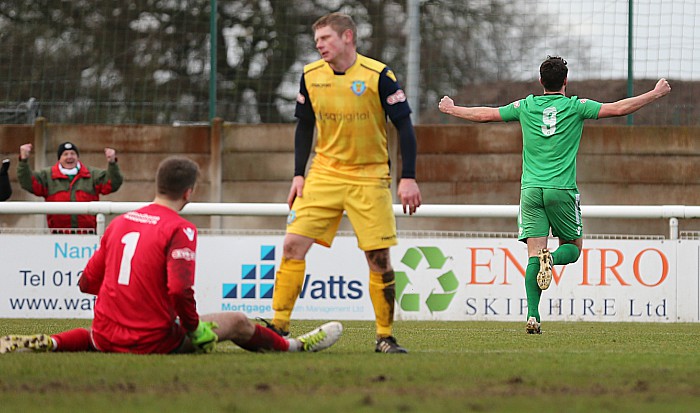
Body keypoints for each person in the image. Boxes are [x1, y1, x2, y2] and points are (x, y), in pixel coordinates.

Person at [0, 156, 342, 355]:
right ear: (189, 191)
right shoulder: (180, 228)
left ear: (157, 184)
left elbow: (87, 282)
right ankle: (295, 346)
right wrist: (194, 329)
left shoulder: (120, 223)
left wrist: (128, 298)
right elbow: (179, 291)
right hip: (152, 340)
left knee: (96, 334)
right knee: (237, 320)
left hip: (105, 335)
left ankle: (53, 342)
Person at [438, 56, 671, 334]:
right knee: (572, 249)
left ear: (540, 82)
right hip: (561, 189)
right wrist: (656, 93)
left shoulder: (525, 106)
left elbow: (485, 114)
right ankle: (553, 259)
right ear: (565, 81)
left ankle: (533, 315)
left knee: (532, 255)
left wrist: (452, 109)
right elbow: (619, 108)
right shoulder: (576, 107)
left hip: (530, 191)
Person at [268, 12, 421, 354]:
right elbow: (304, 126)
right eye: (317, 40)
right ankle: (278, 327)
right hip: (324, 173)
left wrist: (407, 177)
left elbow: (405, 128)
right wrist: (298, 174)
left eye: (325, 38)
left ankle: (384, 336)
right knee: (292, 245)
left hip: (369, 176)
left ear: (347, 37)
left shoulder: (379, 76)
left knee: (378, 257)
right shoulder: (310, 76)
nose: (319, 45)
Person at [17, 141, 123, 232]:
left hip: (88, 235)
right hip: (58, 236)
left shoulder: (92, 174)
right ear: (59, 158)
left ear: (77, 157)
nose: (69, 157)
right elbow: (28, 183)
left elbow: (112, 184)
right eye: (65, 154)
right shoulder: (47, 176)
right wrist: (23, 161)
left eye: (73, 153)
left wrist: (112, 163)